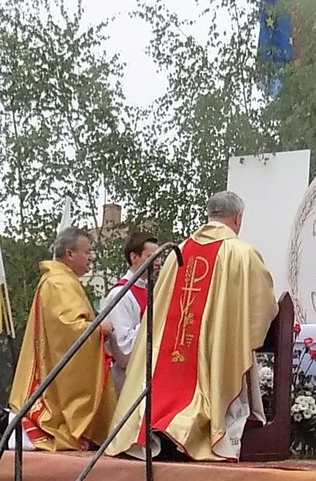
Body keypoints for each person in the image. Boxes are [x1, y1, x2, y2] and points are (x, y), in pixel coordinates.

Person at [108, 192, 278, 462]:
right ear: (238, 218)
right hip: (212, 349)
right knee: (210, 378)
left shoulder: (178, 252)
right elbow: (263, 306)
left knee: (170, 381)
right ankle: (191, 431)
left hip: (174, 346)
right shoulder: (242, 253)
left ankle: (159, 429)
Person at [8, 227, 117, 450]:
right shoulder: (60, 283)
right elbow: (70, 330)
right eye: (87, 252)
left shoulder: (61, 280)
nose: (91, 257)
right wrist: (99, 330)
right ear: (69, 254)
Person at [101, 232, 161, 394]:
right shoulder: (121, 294)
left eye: (159, 257)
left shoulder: (149, 289)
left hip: (145, 374)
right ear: (134, 257)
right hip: (126, 379)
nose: (158, 262)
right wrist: (156, 321)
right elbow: (124, 350)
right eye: (152, 257)